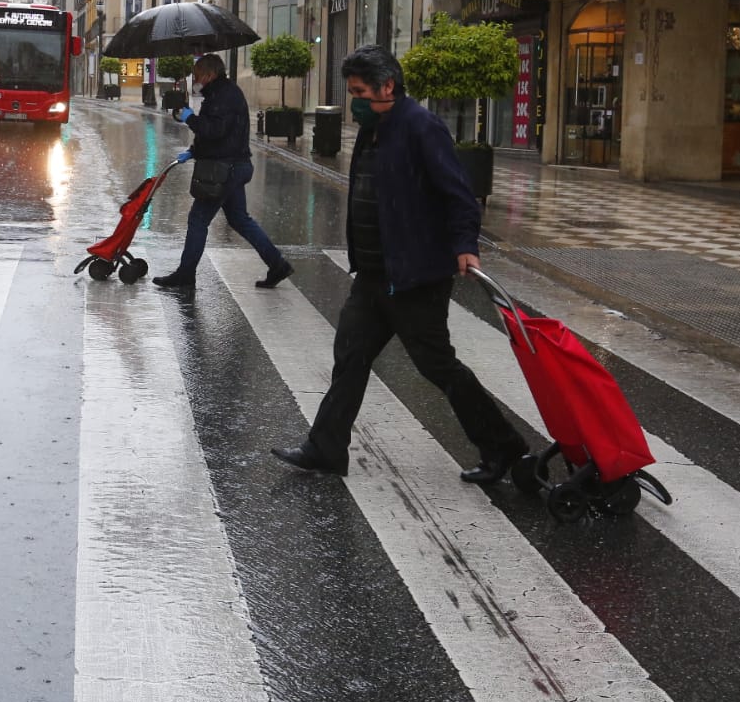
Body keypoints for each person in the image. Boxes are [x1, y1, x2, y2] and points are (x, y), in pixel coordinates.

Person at [272, 46, 527, 483]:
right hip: (374, 276)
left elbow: (459, 193)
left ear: (388, 87)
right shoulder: (376, 127)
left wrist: (466, 244)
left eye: (360, 92)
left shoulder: (421, 127)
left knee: (437, 366)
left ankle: (505, 448)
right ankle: (326, 449)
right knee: (350, 358)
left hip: (415, 277)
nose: (354, 101)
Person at [153, 53, 293, 290]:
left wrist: (190, 119)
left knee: (198, 220)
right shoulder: (222, 93)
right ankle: (277, 264)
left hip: (224, 170)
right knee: (240, 219)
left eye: (197, 76)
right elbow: (220, 135)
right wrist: (194, 150)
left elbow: (214, 130)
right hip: (233, 165)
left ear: (210, 74)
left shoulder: (222, 95)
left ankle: (185, 275)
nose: (195, 80)